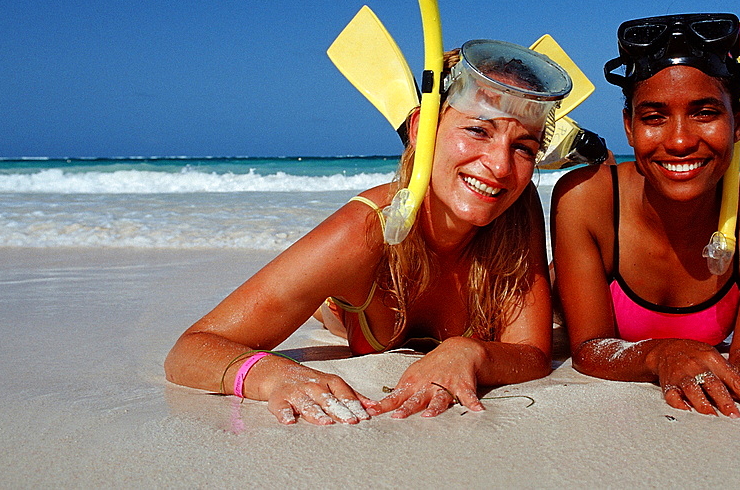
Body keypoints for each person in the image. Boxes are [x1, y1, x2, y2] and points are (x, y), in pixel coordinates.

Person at [165, 39, 572, 424]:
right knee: (332, 310)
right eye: (478, 130)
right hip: (353, 301)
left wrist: (469, 351)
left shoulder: (516, 210)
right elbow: (191, 349)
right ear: (421, 129)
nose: (501, 167)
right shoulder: (362, 231)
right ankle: (330, 306)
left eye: (524, 147)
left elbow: (532, 353)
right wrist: (272, 375)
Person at [551, 14, 740, 418]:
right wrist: (662, 353)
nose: (680, 141)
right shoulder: (587, 199)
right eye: (653, 117)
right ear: (629, 127)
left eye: (705, 113)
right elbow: (590, 350)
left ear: (738, 121)